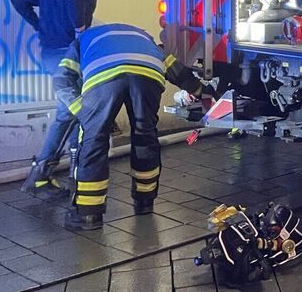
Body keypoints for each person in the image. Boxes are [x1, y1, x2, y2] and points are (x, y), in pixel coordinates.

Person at [54, 23, 206, 230]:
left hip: (103, 76)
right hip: (147, 74)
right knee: (145, 135)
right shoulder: (142, 35)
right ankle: (145, 202)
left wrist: (83, 113)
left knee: (94, 140)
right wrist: (203, 93)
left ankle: (89, 215)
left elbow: (61, 80)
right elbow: (175, 69)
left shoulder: (82, 40)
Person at [11, 0, 111, 196]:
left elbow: (18, 0)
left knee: (75, 108)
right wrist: (80, 28)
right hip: (69, 54)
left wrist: (39, 26)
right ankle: (40, 175)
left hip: (49, 54)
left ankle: (76, 170)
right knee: (68, 112)